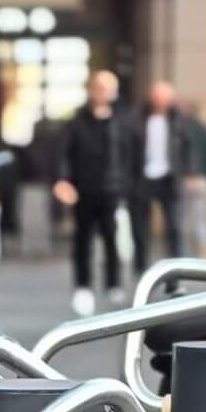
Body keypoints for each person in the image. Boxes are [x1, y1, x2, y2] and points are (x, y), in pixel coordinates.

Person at [53, 69, 137, 313]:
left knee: (112, 238)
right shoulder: (77, 121)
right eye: (99, 87)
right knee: (82, 239)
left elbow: (131, 156)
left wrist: (129, 185)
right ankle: (83, 286)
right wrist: (62, 180)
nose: (103, 92)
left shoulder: (123, 121)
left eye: (108, 88)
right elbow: (63, 153)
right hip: (84, 189)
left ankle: (114, 284)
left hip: (113, 189)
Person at [136, 80, 192, 266]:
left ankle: (176, 269)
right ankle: (142, 267)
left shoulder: (180, 120)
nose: (160, 100)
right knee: (141, 227)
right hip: (143, 178)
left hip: (170, 178)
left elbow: (189, 148)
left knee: (175, 227)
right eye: (157, 96)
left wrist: (190, 173)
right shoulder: (137, 119)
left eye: (164, 97)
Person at [180, 99, 206, 256]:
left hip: (188, 177)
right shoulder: (205, 129)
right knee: (201, 217)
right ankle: (205, 249)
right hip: (203, 178)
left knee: (182, 218)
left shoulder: (182, 130)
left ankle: (183, 251)